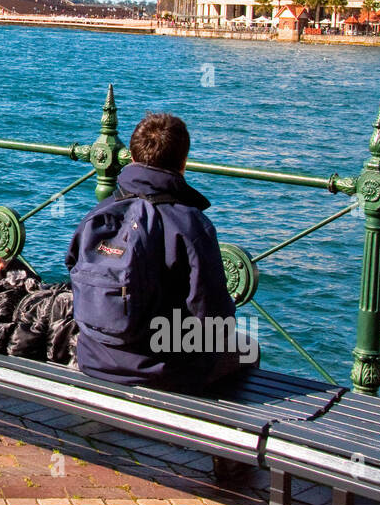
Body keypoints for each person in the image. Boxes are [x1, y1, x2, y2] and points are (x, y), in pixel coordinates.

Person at [66, 111, 258, 391]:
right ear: (183, 163)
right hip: (161, 370)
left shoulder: (100, 213)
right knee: (248, 346)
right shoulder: (191, 224)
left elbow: (72, 269)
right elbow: (215, 320)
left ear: (132, 157)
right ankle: (213, 429)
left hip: (93, 358)